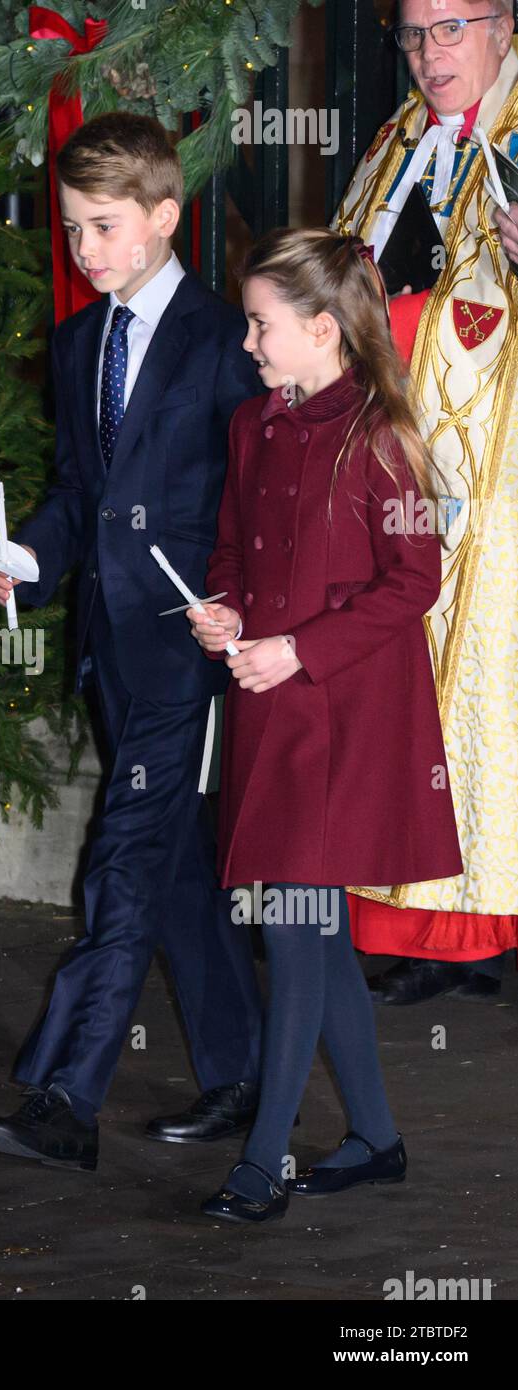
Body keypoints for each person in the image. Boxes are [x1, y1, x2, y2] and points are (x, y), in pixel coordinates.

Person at [0, 112, 264, 1172]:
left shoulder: (225, 339)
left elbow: (255, 500)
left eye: (101, 228)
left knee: (124, 864)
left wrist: (234, 604)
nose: (83, 250)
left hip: (187, 650)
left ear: (162, 217)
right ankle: (245, 1072)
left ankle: (65, 1097)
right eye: (71, 230)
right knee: (173, 864)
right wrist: (31, 557)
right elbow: (73, 494)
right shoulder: (77, 340)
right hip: (108, 641)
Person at [191, 228, 463, 1224]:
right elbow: (231, 549)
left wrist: (299, 649)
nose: (249, 343)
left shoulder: (380, 436)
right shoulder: (252, 424)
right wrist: (220, 605)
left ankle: (263, 1161)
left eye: (262, 326)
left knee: (297, 929)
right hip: (269, 702)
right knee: (316, 932)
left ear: (322, 328)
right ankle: (375, 1137)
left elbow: (416, 582)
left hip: (343, 713)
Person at [332, 0, 518, 1003]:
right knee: (410, 687)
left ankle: (487, 917)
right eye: (412, 35)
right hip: (405, 455)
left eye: (450, 29)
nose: (429, 54)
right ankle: (425, 922)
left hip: (502, 476)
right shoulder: (402, 134)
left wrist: (407, 323)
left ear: (502, 27)